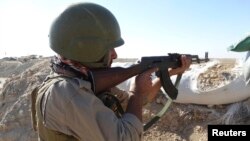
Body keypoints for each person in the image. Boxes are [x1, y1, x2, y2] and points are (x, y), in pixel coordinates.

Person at [31, 2, 191, 141]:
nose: (115, 54)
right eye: (110, 48)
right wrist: (137, 95)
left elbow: (138, 101)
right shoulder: (65, 93)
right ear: (89, 49)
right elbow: (127, 136)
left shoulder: (83, 80)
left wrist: (167, 74)